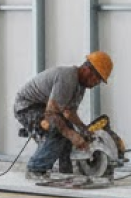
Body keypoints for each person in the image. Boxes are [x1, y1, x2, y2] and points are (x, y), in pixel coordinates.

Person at [13, 51, 113, 180]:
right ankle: (35, 169)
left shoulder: (80, 86)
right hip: (27, 107)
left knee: (68, 131)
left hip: (44, 108)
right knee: (58, 131)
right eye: (97, 78)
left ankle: (64, 171)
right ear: (87, 69)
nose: (96, 83)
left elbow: (69, 112)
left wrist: (84, 130)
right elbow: (51, 114)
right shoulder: (67, 78)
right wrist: (72, 134)